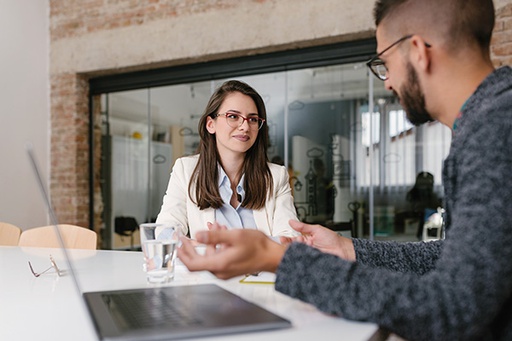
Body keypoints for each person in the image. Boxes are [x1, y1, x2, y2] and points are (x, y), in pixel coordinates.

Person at [178, 0, 512, 340]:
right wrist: (349, 248)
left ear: (417, 51)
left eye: (384, 63)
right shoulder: (489, 119)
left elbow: (451, 309)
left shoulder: (496, 131)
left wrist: (281, 260)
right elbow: (451, 257)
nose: (387, 82)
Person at [156, 80, 299, 239]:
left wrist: (238, 245)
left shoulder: (276, 176)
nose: (245, 127)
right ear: (211, 124)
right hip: (208, 264)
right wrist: (196, 246)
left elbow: (290, 238)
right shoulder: (185, 170)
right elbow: (165, 231)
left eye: (252, 119)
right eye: (233, 116)